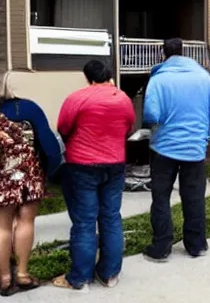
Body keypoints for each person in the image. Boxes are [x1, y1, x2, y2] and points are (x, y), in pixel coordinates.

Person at [53, 61, 135, 291]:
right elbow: (127, 127)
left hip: (82, 166)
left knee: (85, 222)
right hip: (115, 164)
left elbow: (64, 128)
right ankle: (109, 274)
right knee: (110, 217)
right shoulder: (123, 98)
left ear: (87, 77)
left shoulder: (76, 98)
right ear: (109, 76)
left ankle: (79, 278)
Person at [142, 38, 210, 262]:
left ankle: (161, 248)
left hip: (163, 148)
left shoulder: (159, 79)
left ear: (163, 54)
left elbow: (151, 115)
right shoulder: (204, 78)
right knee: (194, 197)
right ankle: (196, 245)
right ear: (184, 52)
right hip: (195, 149)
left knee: (161, 198)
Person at [0, 72, 64, 296]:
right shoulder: (28, 108)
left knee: (2, 227)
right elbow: (51, 148)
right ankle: (23, 275)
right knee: (26, 221)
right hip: (29, 175)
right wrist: (48, 173)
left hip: (2, 177)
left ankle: (5, 279)